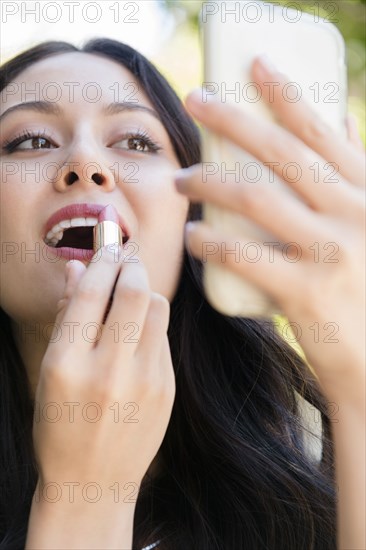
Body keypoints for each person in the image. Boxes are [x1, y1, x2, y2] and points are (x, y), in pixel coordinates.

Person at [0, 38, 364, 550]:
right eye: (32, 140)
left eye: (134, 141)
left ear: (193, 216)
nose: (85, 162)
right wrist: (84, 496)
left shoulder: (307, 497)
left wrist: (359, 390)